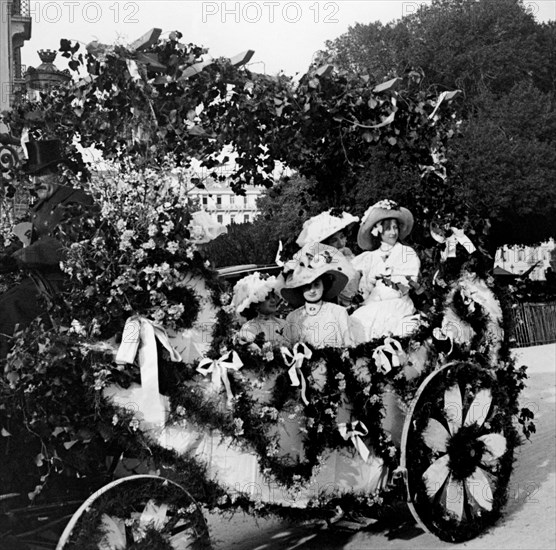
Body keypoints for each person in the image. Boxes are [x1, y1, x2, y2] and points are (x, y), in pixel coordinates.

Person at [0, 139, 94, 359]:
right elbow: (25, 239)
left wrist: (18, 259)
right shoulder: (41, 206)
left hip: (66, 285)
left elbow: (59, 243)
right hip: (41, 282)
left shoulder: (77, 201)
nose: (34, 181)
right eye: (31, 176)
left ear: (59, 173)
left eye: (40, 174)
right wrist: (5, 259)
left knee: (7, 308)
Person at [350, 199, 420, 343]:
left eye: (395, 228)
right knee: (356, 324)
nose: (393, 232)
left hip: (397, 303)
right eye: (388, 228)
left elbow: (407, 285)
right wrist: (362, 294)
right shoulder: (370, 257)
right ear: (378, 230)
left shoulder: (406, 252)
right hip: (373, 304)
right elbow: (365, 288)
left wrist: (388, 280)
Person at [281, 242, 353, 348]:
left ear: (324, 286)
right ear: (300, 289)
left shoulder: (338, 312)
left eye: (316, 285)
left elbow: (350, 344)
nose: (312, 290)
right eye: (307, 286)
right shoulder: (292, 318)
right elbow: (287, 349)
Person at [296, 210, 360, 308]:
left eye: (342, 237)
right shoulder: (322, 263)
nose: (341, 244)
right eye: (334, 240)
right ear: (326, 245)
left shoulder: (350, 257)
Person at [231, 271, 289, 348]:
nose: (273, 300)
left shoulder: (283, 323)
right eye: (267, 298)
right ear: (256, 305)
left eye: (273, 296)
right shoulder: (249, 328)